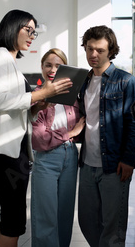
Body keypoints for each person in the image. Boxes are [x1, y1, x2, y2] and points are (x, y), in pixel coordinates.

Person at [0, 9, 72, 247]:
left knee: (15, 222)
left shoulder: (10, 62)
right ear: (12, 27)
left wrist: (37, 104)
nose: (32, 36)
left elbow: (15, 112)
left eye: (35, 32)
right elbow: (1, 100)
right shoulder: (0, 56)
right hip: (3, 154)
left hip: (14, 153)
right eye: (28, 30)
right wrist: (43, 93)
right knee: (12, 222)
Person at [77, 25, 135, 247]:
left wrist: (128, 159)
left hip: (114, 165)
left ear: (110, 51)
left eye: (100, 50)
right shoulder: (83, 82)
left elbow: (134, 123)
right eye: (89, 49)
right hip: (87, 164)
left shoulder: (126, 81)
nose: (93, 55)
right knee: (87, 221)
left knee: (112, 227)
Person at [30, 48, 86, 247]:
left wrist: (67, 136)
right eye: (48, 65)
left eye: (58, 65)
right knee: (45, 217)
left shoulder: (73, 98)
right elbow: (39, 139)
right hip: (46, 159)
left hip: (70, 156)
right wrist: (69, 134)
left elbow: (81, 124)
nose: (53, 69)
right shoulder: (36, 97)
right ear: (42, 68)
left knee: (64, 215)